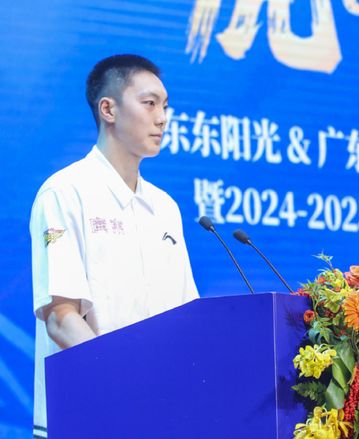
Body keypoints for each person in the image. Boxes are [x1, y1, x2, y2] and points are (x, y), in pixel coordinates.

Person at [29, 54, 199, 438]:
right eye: (149, 103)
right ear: (108, 109)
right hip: (86, 415)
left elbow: (187, 317)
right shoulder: (65, 193)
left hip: (159, 414)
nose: (162, 118)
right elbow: (61, 317)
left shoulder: (165, 208)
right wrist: (120, 382)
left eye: (165, 106)